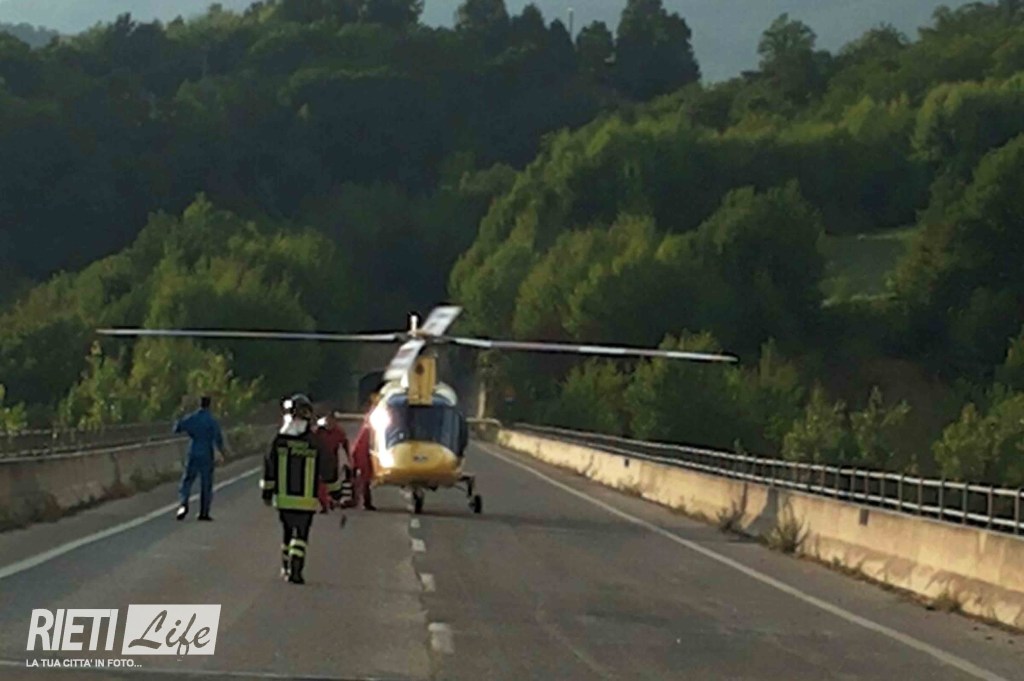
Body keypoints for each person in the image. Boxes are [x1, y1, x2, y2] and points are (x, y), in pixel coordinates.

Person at [261, 394, 344, 585]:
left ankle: (286, 565)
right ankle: (296, 569)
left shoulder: (278, 441)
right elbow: (328, 469)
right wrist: (336, 493)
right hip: (306, 501)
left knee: (287, 532)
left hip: (283, 500)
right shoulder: (315, 442)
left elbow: (269, 468)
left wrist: (267, 492)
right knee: (301, 535)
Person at [174, 396, 226, 522]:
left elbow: (177, 428)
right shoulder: (212, 420)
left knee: (187, 480)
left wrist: (180, 414)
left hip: (193, 452)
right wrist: (222, 452)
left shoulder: (192, 418)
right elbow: (218, 438)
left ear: (199, 404)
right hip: (206, 454)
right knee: (206, 484)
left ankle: (183, 504)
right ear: (209, 405)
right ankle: (204, 512)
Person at [314, 410, 350, 513]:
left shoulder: (339, 432)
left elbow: (345, 444)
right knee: (320, 483)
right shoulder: (319, 431)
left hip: (332, 460)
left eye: (332, 420)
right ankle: (325, 502)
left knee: (332, 483)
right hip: (320, 459)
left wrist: (348, 459)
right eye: (328, 420)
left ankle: (332, 499)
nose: (330, 423)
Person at [349, 399, 377, 511]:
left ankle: (363, 501)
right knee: (364, 481)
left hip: (365, 457)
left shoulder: (369, 429)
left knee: (364, 481)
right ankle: (364, 501)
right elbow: (360, 447)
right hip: (364, 458)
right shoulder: (367, 430)